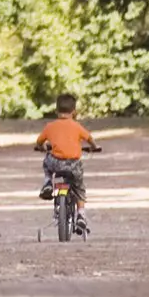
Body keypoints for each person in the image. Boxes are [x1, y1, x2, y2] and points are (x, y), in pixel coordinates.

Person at [34, 94, 103, 230]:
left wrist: (42, 148)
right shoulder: (76, 126)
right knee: (79, 187)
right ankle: (81, 215)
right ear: (74, 112)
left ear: (56, 111)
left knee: (47, 162)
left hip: (56, 163)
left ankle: (48, 183)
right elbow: (89, 139)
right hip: (73, 165)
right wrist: (95, 147)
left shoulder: (50, 126)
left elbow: (39, 142)